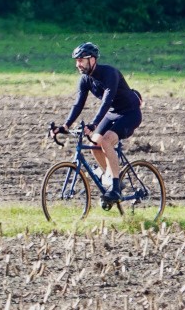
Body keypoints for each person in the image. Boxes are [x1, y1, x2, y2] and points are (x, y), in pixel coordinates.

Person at [49, 42, 143, 201]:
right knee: (94, 143)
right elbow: (78, 104)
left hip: (130, 113)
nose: (77, 64)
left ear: (92, 60)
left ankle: (115, 189)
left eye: (81, 60)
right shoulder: (85, 79)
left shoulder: (110, 74)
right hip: (113, 113)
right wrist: (65, 126)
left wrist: (93, 123)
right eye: (76, 61)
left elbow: (107, 101)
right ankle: (113, 177)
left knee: (106, 141)